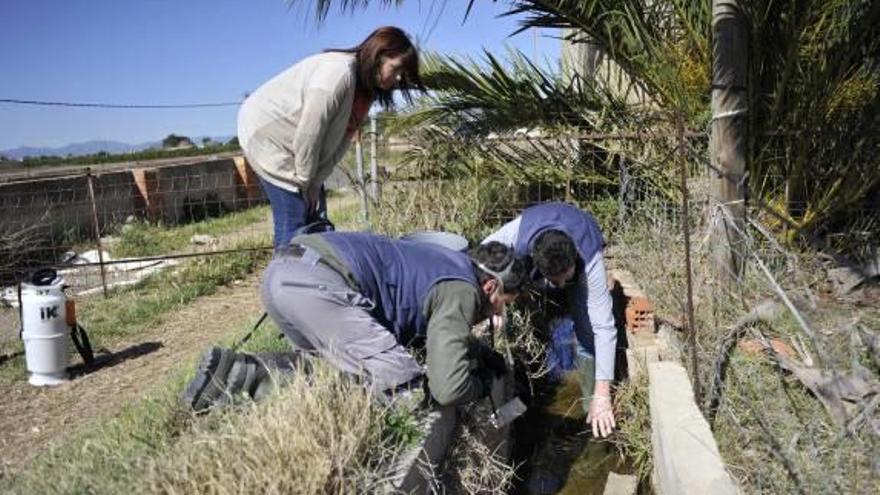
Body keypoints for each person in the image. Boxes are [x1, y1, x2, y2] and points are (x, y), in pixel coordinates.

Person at [182, 232, 528, 411]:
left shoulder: (451, 261)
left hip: (285, 275)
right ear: (489, 285)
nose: (497, 313)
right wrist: (480, 385)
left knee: (335, 369)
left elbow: (439, 328)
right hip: (316, 286)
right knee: (404, 389)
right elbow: (448, 389)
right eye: (502, 304)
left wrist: (478, 352)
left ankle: (235, 374)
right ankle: (248, 379)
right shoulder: (462, 291)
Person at [237, 26, 423, 249]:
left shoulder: (365, 90)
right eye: (397, 69)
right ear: (379, 55)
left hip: (296, 147)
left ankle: (309, 276)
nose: (399, 78)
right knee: (294, 222)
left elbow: (341, 141)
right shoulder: (338, 73)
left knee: (315, 221)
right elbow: (310, 131)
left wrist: (315, 182)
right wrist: (306, 182)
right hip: (269, 136)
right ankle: (286, 278)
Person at [483, 202, 617, 438]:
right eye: (557, 281)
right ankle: (530, 386)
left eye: (566, 277)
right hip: (531, 267)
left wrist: (603, 396)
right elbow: (480, 261)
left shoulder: (588, 251)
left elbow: (604, 327)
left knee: (587, 326)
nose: (562, 285)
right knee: (520, 316)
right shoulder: (514, 237)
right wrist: (491, 307)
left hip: (580, 246)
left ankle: (590, 405)